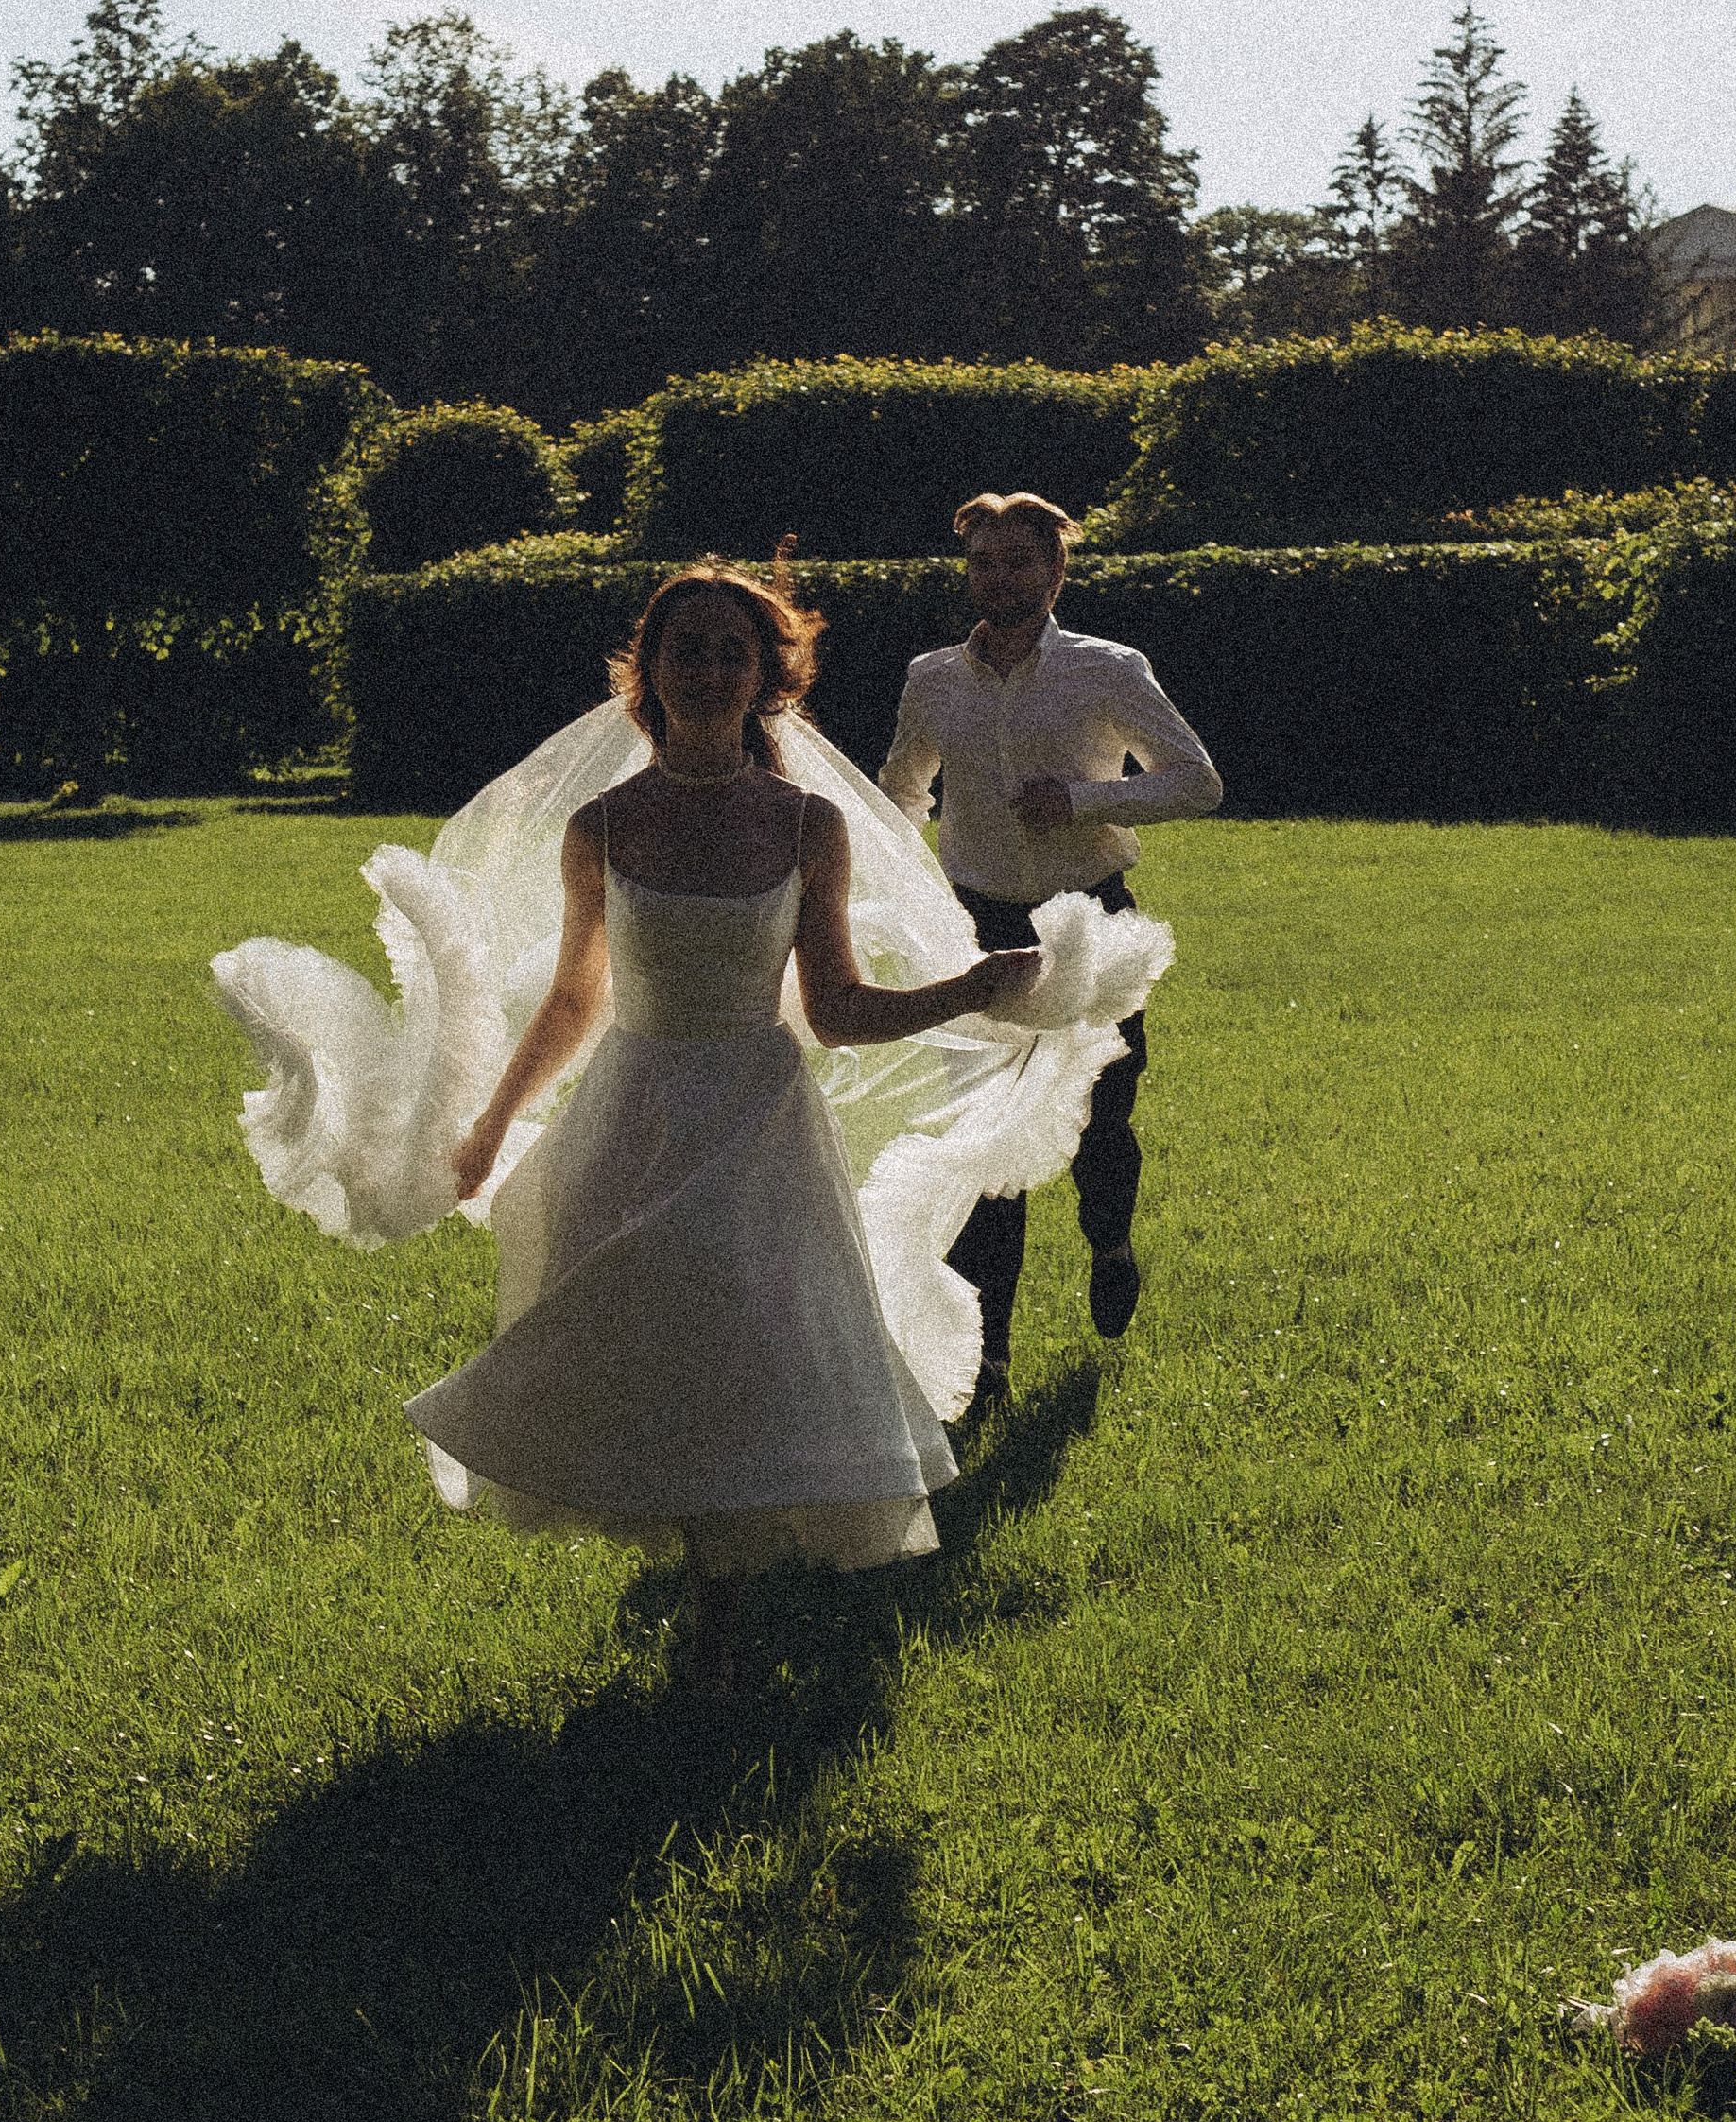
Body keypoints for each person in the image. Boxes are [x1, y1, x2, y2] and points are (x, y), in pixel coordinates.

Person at [213, 565, 1170, 1695]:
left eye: (733, 653)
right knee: (649, 1332)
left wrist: (972, 990)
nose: (711, 671)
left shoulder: (809, 825)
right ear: (649, 674)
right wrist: (490, 1123)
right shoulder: (603, 824)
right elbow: (576, 998)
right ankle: (691, 1566)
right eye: (690, 651)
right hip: (634, 1112)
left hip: (760, 1119)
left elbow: (838, 1009)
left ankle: (717, 1615)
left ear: (768, 679)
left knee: (744, 1326)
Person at [878, 492, 1223, 1408]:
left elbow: (1197, 783)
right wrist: (883, 883)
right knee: (988, 1147)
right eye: (986, 562)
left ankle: (1108, 1242)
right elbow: (902, 792)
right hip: (978, 932)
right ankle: (987, 1356)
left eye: (1020, 561)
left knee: (1102, 1117)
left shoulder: (1107, 669)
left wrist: (1080, 799)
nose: (1002, 578)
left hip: (1090, 922)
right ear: (970, 573)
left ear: (1054, 571)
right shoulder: (931, 680)